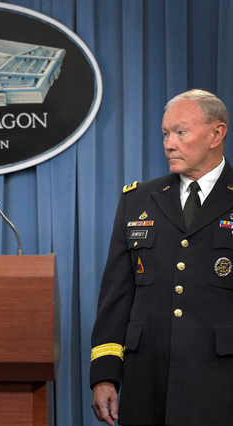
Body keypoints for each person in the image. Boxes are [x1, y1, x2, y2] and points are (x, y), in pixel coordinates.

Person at [90, 89, 232, 426]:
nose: (169, 143)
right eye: (166, 134)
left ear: (216, 133)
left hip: (221, 386)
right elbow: (117, 297)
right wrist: (105, 376)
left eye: (181, 132)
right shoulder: (138, 200)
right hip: (147, 384)